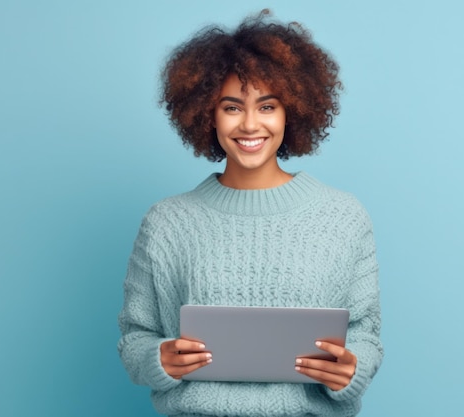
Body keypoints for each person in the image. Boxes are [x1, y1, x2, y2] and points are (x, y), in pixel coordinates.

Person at [118, 10, 383, 417]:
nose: (250, 124)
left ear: (291, 111)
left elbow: (365, 334)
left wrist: (352, 369)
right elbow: (136, 337)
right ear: (206, 112)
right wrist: (160, 359)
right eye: (231, 107)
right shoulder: (166, 222)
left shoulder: (343, 217)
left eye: (267, 106)